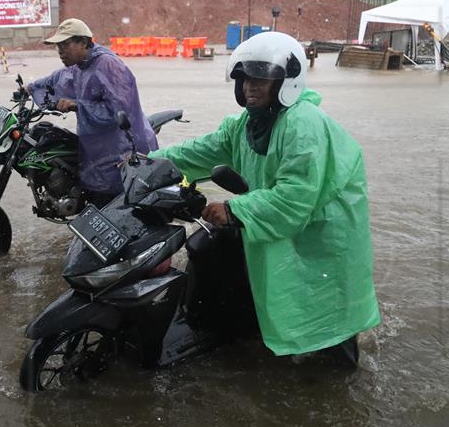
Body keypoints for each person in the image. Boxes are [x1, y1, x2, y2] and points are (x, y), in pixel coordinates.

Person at [149, 31, 381, 365]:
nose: (249, 87)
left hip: (322, 233)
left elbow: (295, 196)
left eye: (260, 79)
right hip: (280, 222)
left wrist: (233, 209)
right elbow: (201, 150)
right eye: (244, 78)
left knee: (326, 315)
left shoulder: (304, 124)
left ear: (287, 82)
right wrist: (149, 160)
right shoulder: (248, 122)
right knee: (281, 290)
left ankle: (339, 389)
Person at [28, 18, 158, 207]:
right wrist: (30, 88)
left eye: (65, 44)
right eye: (58, 46)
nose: (60, 51)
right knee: (99, 204)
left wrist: (77, 105)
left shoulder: (107, 65)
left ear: (83, 42)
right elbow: (55, 80)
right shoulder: (79, 66)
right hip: (99, 149)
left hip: (123, 148)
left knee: (120, 207)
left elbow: (120, 112)